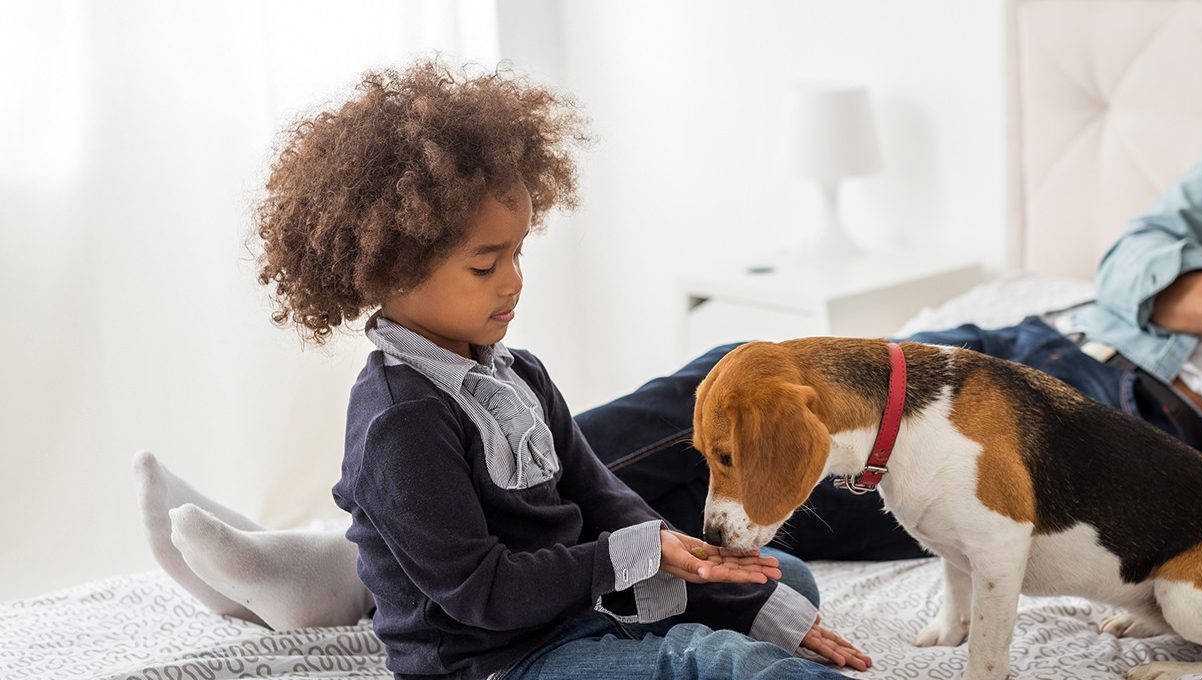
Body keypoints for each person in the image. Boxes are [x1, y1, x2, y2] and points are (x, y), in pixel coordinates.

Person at [139, 0, 1202, 641]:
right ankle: (376, 557)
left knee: (799, 493)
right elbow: (1136, 247)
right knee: (732, 392)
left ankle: (420, 564)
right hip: (1073, 341)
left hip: (1171, 433)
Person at [142, 60, 874, 680]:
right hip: (497, 658)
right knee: (712, 658)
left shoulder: (520, 373)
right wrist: (639, 563)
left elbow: (601, 494)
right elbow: (480, 594)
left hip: (574, 610)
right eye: (486, 263)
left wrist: (695, 565)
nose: (513, 281)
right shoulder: (401, 421)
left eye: (519, 252)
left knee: (781, 584)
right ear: (391, 267)